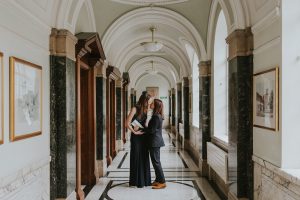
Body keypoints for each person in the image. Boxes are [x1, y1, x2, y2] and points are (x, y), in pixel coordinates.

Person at [126, 91, 151, 188]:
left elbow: (146, 123)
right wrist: (134, 131)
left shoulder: (146, 109)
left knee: (144, 156)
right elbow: (127, 123)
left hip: (144, 136)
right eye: (147, 101)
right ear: (144, 100)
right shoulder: (134, 108)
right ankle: (135, 181)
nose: (148, 104)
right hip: (136, 137)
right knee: (136, 156)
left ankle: (144, 180)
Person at [145, 99, 166, 189]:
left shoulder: (156, 116)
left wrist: (143, 128)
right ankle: (158, 179)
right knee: (155, 161)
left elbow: (152, 130)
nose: (150, 104)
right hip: (155, 141)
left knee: (156, 162)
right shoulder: (157, 115)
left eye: (152, 103)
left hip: (154, 142)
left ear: (156, 106)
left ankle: (162, 182)